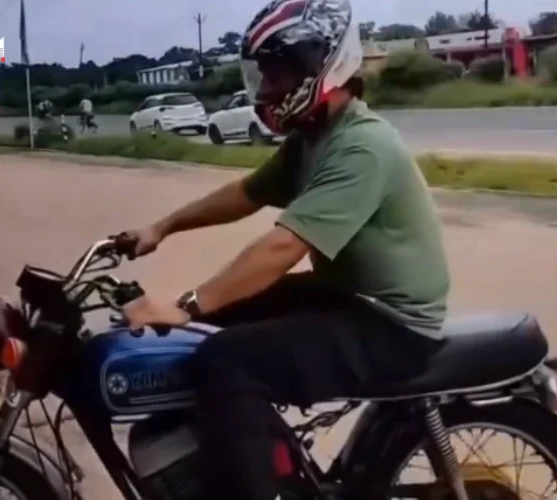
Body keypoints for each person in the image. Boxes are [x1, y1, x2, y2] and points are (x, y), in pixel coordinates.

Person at [116, 0, 450, 498]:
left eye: (276, 73)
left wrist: (185, 305)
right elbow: (246, 194)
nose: (266, 89)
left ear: (321, 65)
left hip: (395, 323)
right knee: (215, 326)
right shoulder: (315, 137)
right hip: (348, 294)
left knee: (228, 359)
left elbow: (282, 247)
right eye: (263, 74)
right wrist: (162, 228)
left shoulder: (362, 147)